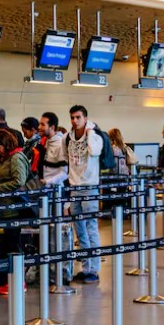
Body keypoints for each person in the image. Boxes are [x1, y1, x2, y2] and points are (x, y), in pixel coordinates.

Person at [0, 127, 31, 294]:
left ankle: (18, 281)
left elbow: (19, 180)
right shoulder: (7, 157)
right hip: (5, 208)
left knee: (13, 245)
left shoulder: (16, 158)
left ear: (6, 144)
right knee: (9, 244)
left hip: (13, 209)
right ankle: (12, 280)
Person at [64, 105, 103, 282]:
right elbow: (65, 158)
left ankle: (93, 269)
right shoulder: (67, 137)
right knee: (79, 229)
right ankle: (86, 266)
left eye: (78, 117)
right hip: (75, 188)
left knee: (91, 227)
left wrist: (89, 134)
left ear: (85, 118)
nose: (75, 121)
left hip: (90, 187)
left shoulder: (95, 136)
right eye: (72, 117)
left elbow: (95, 151)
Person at [38, 113, 68, 185]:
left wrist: (47, 181)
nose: (39, 127)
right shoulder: (46, 141)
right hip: (45, 188)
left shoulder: (60, 145)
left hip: (55, 190)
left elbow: (64, 173)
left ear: (52, 127)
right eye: (39, 124)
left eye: (42, 124)